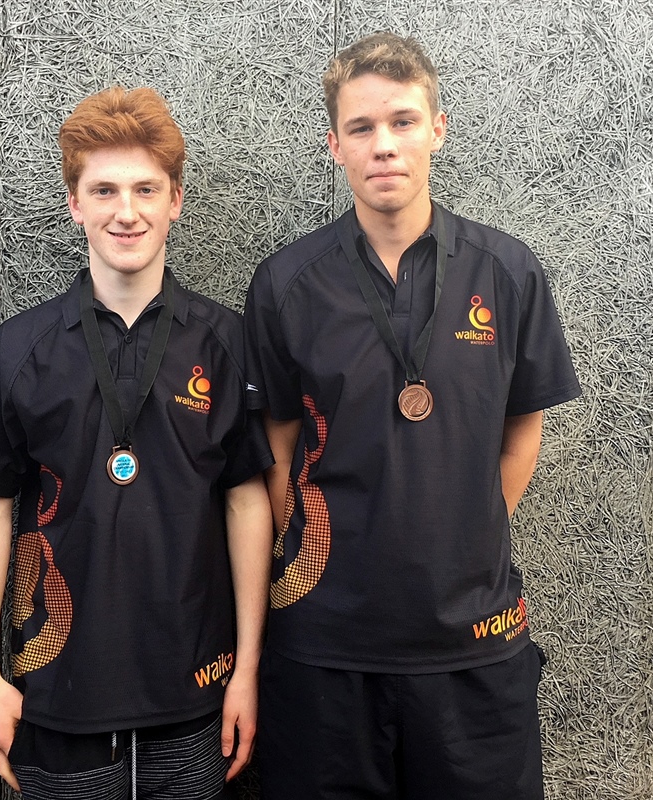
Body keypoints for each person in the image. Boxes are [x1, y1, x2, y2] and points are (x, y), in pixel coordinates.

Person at [244, 31, 581, 799]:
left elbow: (522, 429)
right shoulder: (287, 283)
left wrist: (463, 530)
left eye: (402, 121)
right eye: (361, 127)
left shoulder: (508, 272)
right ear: (335, 145)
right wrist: (320, 559)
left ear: (438, 128)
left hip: (474, 645)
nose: (384, 145)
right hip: (324, 650)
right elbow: (276, 447)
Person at [0, 85, 273, 800]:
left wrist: (247, 670)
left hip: (197, 703)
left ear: (175, 201)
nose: (127, 211)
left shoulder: (225, 341)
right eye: (104, 190)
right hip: (56, 700)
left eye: (146, 189)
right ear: (75, 203)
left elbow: (246, 502)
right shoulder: (21, 347)